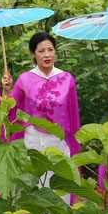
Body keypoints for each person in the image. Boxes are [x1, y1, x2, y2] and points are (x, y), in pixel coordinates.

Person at [6, 31, 79, 159]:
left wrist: (76, 138)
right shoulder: (25, 79)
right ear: (33, 53)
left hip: (60, 138)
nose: (47, 55)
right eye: (41, 51)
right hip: (33, 138)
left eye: (50, 50)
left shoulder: (67, 79)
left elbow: (73, 113)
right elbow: (9, 109)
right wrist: (6, 90)